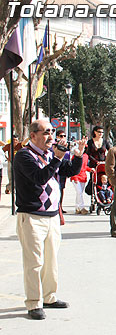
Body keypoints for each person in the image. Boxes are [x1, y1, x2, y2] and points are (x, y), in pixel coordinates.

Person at [13, 119, 86, 320]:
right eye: (46, 132)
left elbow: (69, 171)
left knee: (50, 260)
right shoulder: (24, 156)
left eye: (52, 132)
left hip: (52, 217)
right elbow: (39, 177)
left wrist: (77, 156)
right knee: (34, 262)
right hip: (32, 216)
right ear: (34, 135)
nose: (51, 136)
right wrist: (57, 158)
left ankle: (49, 296)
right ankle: (34, 303)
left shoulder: (49, 155)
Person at [68, 150, 91, 214]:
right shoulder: (75, 156)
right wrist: (74, 177)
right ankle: (81, 207)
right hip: (76, 176)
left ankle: (77, 207)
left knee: (79, 193)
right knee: (79, 192)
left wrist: (90, 169)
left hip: (83, 177)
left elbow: (84, 166)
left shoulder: (86, 156)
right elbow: (73, 166)